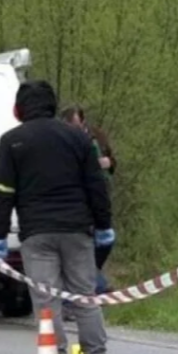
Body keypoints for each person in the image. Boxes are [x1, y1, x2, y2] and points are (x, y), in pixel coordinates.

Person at [0, 80, 115, 354]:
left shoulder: (11, 141)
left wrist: (0, 234)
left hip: (37, 234)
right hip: (77, 230)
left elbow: (3, 192)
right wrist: (103, 224)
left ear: (18, 110)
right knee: (85, 298)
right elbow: (95, 185)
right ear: (53, 106)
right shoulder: (77, 138)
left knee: (47, 303)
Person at [58, 104, 115, 294]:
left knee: (103, 245)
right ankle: (97, 285)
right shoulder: (63, 141)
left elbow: (111, 158)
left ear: (83, 122)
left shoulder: (97, 137)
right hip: (80, 201)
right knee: (81, 248)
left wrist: (109, 162)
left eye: (76, 125)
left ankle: (92, 280)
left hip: (100, 196)